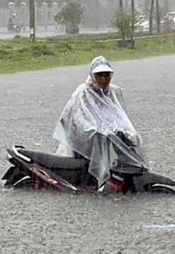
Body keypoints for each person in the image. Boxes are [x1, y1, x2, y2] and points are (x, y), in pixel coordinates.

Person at [53, 56, 141, 193]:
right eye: (99, 75)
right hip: (80, 139)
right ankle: (88, 187)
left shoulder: (114, 91)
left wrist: (125, 130)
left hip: (103, 136)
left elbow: (120, 114)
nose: (104, 78)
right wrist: (93, 129)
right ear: (92, 75)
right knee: (87, 170)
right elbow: (79, 117)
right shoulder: (82, 92)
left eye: (107, 75)